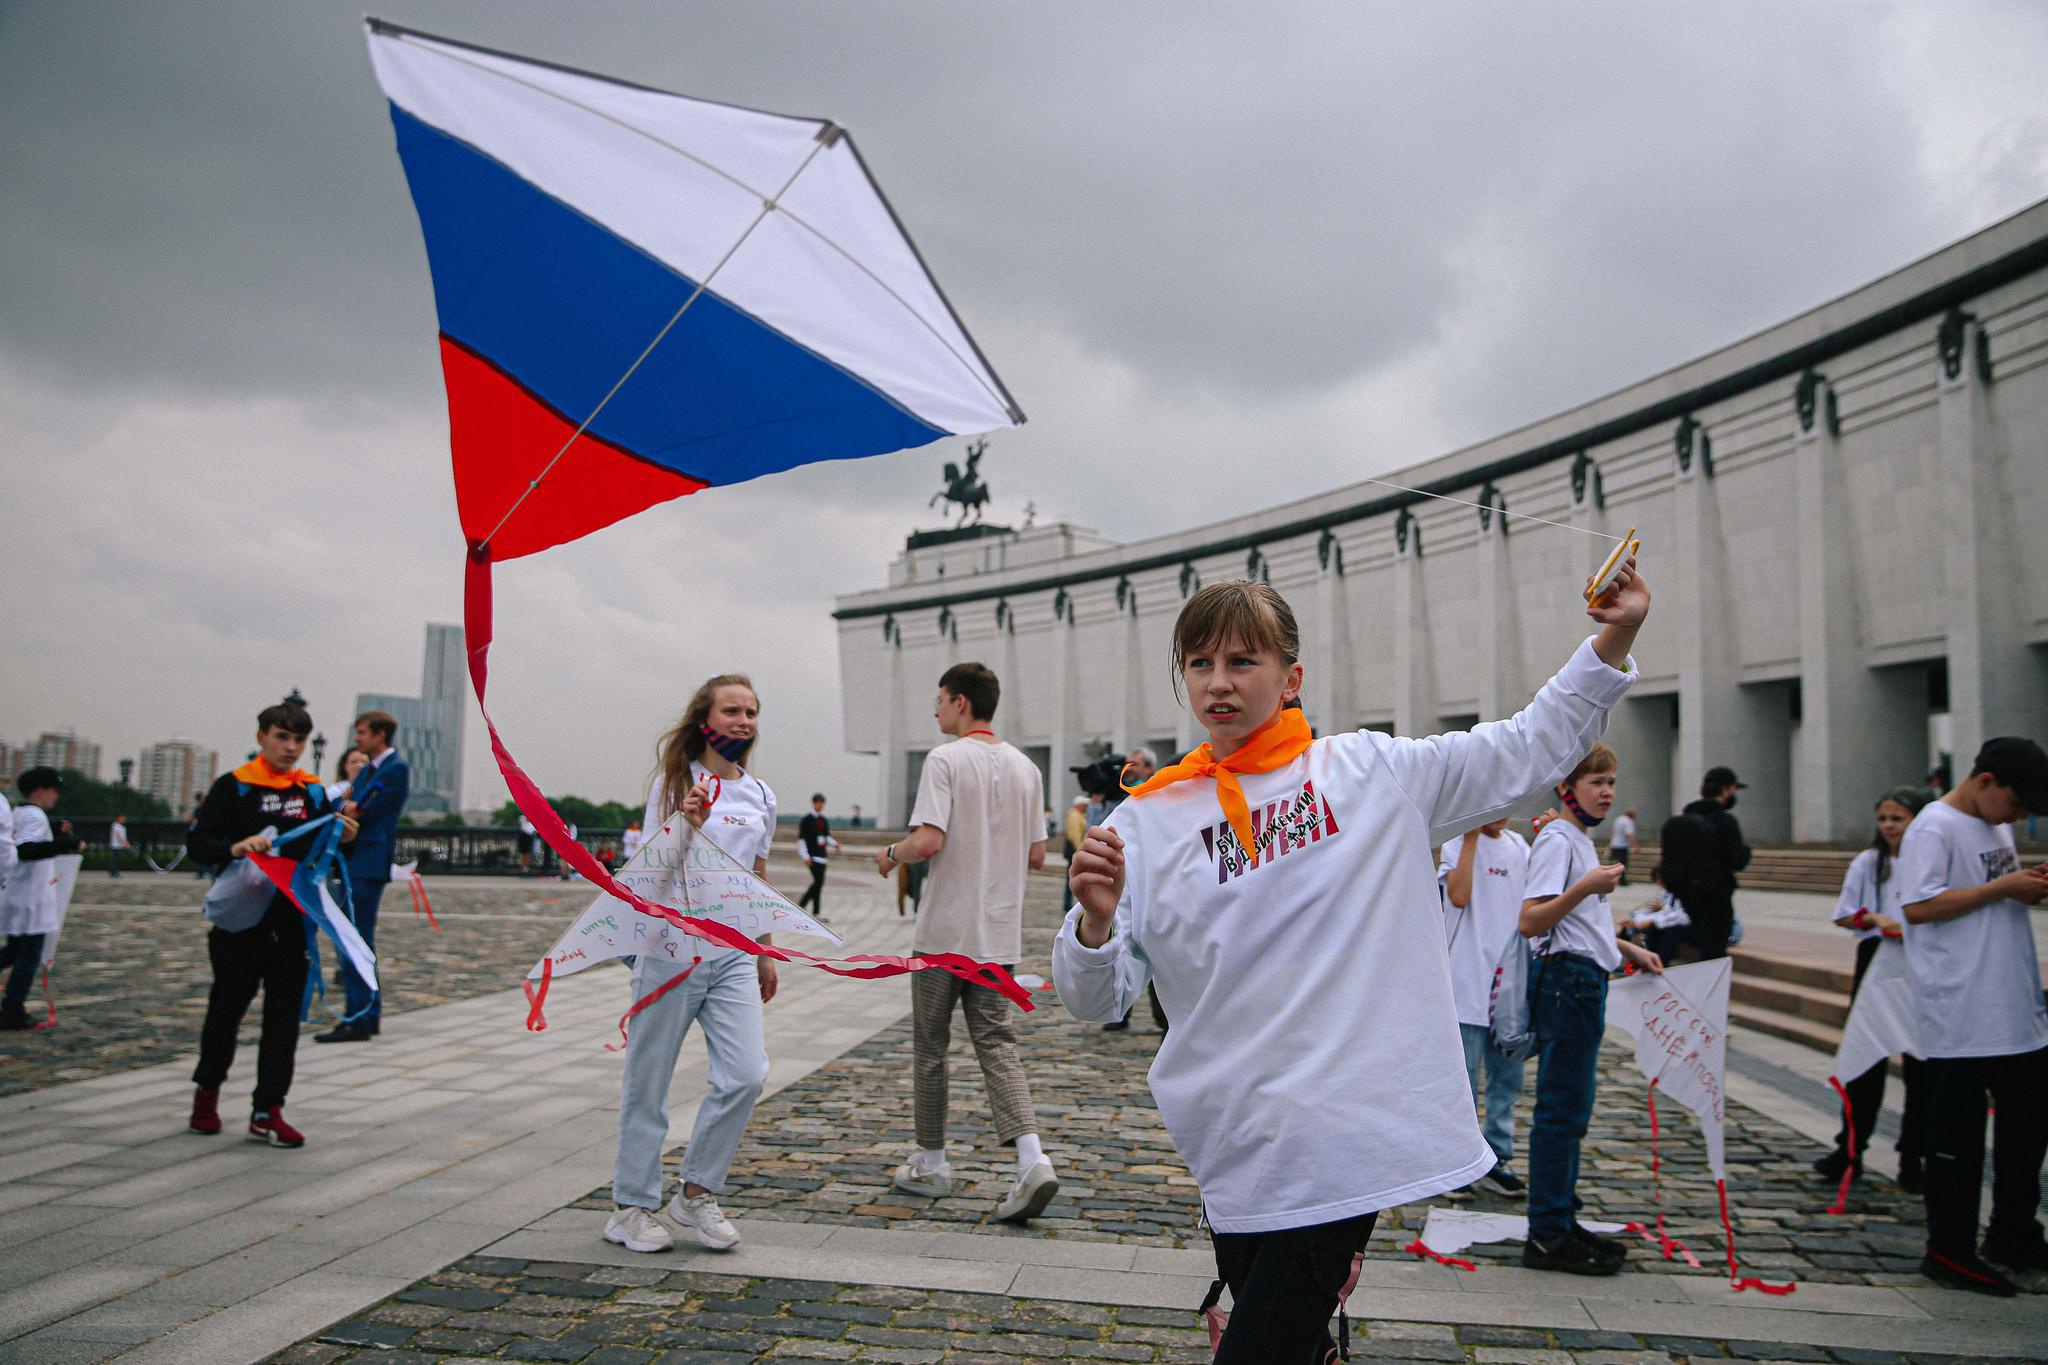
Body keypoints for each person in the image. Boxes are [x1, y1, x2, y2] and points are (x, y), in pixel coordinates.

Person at [1058, 562, 1648, 1360]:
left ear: (1291, 675)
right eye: (1200, 663)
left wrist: (1614, 635)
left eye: (1243, 661)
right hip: (1236, 1144)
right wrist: (1094, 926)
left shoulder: (1371, 772)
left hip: (1342, 1138)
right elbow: (1098, 1000)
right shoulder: (1149, 819)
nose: (1218, 683)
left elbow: (1525, 748)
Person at [876, 661, 1056, 1224]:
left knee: (932, 1048)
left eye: (938, 700)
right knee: (997, 1044)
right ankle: (1032, 1157)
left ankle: (932, 1161)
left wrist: (888, 855)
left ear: (959, 701)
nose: (934, 712)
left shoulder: (945, 759)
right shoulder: (1027, 769)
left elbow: (928, 840)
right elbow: (1036, 856)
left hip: (944, 936)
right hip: (996, 936)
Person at [606, 675, 778, 1256]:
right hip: (669, 950)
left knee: (747, 1073)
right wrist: (687, 825)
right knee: (648, 1083)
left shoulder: (759, 795)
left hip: (731, 951)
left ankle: (696, 1192)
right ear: (705, 720)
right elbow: (645, 877)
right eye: (731, 710)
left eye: (751, 711)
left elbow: (756, 876)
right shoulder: (672, 785)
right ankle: (630, 1207)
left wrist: (763, 947)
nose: (743, 720)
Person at [1897, 736, 2048, 1296]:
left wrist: (2018, 886)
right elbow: (1918, 906)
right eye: (2016, 801)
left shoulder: (1996, 825)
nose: (2021, 814)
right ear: (1985, 783)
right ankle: (1949, 1247)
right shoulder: (1933, 827)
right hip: (1961, 1007)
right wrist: (2004, 886)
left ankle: (2013, 1231)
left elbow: (1986, 890)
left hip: (2014, 1005)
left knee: (2027, 1130)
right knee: (1957, 1137)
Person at [1518, 742, 1666, 1275]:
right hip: (1568, 984)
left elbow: (1583, 927)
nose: (1606, 793)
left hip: (1583, 980)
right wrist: (1586, 886)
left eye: (1610, 783)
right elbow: (1533, 920)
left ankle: (1561, 1218)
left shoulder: (1575, 837)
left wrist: (1627, 948)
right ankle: (1548, 1232)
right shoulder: (1560, 839)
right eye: (1595, 783)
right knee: (1561, 1113)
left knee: (1573, 1113)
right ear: (1568, 788)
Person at [187, 698, 356, 1146]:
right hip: (240, 922)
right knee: (225, 1010)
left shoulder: (312, 792)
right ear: (261, 737)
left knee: (282, 1021)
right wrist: (235, 848)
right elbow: (200, 842)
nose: (292, 747)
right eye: (282, 737)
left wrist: (346, 838)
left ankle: (268, 1109)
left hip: (291, 922)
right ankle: (207, 1093)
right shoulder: (235, 786)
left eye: (299, 739)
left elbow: (325, 853)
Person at [1813, 787, 1930, 1190]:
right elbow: (1845, 914)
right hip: (1878, 960)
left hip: (1922, 962)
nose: (1890, 826)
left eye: (1898, 818)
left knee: (1923, 1064)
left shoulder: (1928, 859)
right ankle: (1850, 1150)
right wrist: (1876, 920)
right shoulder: (1870, 862)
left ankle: (1914, 1156)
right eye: (1884, 819)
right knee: (1866, 1057)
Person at [1439, 818, 1532, 1198]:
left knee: (1506, 1084)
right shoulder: (1454, 843)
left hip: (1510, 988)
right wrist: (1472, 835)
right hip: (1465, 984)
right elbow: (1459, 896)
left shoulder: (1519, 846)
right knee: (1462, 1082)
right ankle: (1454, 1165)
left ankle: (1497, 1159)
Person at [317, 712, 409, 1043]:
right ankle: (365, 1014)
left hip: (368, 859)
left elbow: (361, 809)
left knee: (356, 938)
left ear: (380, 735)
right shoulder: (373, 769)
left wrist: (345, 807)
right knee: (354, 938)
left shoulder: (394, 768)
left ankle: (361, 1015)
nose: (358, 739)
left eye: (362, 733)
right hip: (357, 859)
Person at [2, 768, 84, 1030]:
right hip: (31, 898)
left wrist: (54, 831)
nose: (56, 797)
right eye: (54, 791)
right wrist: (66, 844)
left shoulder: (19, 812)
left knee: (15, 951)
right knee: (29, 955)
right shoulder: (35, 815)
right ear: (39, 791)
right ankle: (13, 1008)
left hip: (18, 893)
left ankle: (12, 1007)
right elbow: (26, 849)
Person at [1663, 767, 1751, 963]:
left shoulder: (1684, 818)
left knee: (1697, 939)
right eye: (1734, 789)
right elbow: (1737, 860)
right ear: (1726, 789)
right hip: (1716, 896)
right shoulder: (1725, 822)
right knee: (1714, 951)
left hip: (1686, 896)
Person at [797, 794, 834, 919]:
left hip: (822, 856)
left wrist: (835, 844)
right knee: (818, 882)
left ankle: (814, 911)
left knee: (819, 884)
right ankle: (802, 904)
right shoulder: (807, 820)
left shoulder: (823, 820)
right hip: (812, 857)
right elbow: (801, 840)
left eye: (822, 803)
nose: (820, 805)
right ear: (814, 803)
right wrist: (805, 856)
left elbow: (827, 837)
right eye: (818, 803)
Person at [1608, 806, 1635, 885]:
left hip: (1614, 844)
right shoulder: (1628, 821)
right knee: (1623, 864)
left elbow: (1613, 832)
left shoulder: (1618, 819)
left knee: (1616, 863)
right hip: (1622, 846)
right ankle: (1622, 881)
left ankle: (1617, 879)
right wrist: (1634, 845)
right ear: (1631, 815)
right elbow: (1629, 834)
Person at [1063, 796, 1088, 861]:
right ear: (1080, 805)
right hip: (1074, 845)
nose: (1086, 807)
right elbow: (1075, 833)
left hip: (1073, 844)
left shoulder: (1077, 814)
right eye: (1085, 805)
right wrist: (1078, 847)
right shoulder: (1075, 816)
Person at [108, 812, 129, 878]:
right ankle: (114, 873)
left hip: (120, 846)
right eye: (123, 818)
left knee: (117, 859)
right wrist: (125, 844)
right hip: (116, 846)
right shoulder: (115, 826)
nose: (124, 819)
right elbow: (118, 837)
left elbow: (123, 837)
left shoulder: (121, 826)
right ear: (119, 818)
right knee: (116, 860)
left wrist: (126, 843)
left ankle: (114, 872)